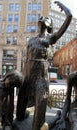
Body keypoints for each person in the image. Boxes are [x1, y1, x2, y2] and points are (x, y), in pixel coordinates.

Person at [16, 1, 72, 130]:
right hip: (27, 74)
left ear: (48, 25)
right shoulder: (31, 39)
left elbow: (69, 17)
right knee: (19, 116)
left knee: (38, 123)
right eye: (40, 19)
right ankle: (28, 111)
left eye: (45, 19)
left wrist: (63, 7)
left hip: (41, 76)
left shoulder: (50, 38)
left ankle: (49, 121)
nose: (41, 19)